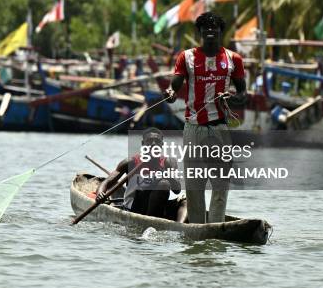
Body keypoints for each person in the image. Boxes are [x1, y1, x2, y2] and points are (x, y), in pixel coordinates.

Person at [165, 12, 247, 224]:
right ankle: (197, 229)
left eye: (215, 28)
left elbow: (243, 94)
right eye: (206, 28)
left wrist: (232, 97)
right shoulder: (187, 57)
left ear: (220, 32)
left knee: (220, 184)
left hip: (220, 128)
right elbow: (175, 84)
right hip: (193, 127)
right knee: (194, 185)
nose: (210, 31)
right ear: (200, 32)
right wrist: (170, 93)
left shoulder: (233, 59)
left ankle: (216, 227)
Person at [95, 128, 187, 222]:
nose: (153, 144)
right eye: (150, 141)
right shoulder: (131, 162)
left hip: (158, 206)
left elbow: (177, 190)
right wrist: (100, 195)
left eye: (157, 141)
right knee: (163, 184)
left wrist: (165, 174)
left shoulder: (169, 162)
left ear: (162, 145)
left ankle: (181, 226)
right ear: (143, 144)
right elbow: (106, 182)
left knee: (186, 201)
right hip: (135, 207)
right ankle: (150, 222)